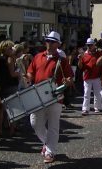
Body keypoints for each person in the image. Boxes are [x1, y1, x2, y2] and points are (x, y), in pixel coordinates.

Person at [27, 31, 73, 163]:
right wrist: (28, 78)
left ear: (58, 44)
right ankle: (48, 145)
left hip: (55, 97)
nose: (49, 43)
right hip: (38, 96)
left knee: (53, 126)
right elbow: (31, 72)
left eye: (52, 41)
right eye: (48, 41)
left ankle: (50, 152)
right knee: (35, 122)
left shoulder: (62, 60)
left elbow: (70, 78)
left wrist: (68, 81)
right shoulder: (38, 57)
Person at [0, 40, 20, 137]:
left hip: (2, 85)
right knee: (14, 108)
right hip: (11, 85)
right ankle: (12, 130)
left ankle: (0, 129)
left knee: (1, 109)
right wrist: (18, 73)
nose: (12, 50)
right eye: (10, 48)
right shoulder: (10, 59)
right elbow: (12, 73)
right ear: (5, 49)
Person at [78, 38, 102, 115]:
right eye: (88, 45)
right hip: (87, 76)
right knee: (86, 93)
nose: (89, 46)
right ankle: (85, 109)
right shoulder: (84, 54)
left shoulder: (98, 53)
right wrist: (80, 59)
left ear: (94, 45)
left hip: (96, 76)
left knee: (97, 93)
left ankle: (97, 107)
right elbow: (80, 67)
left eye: (91, 45)